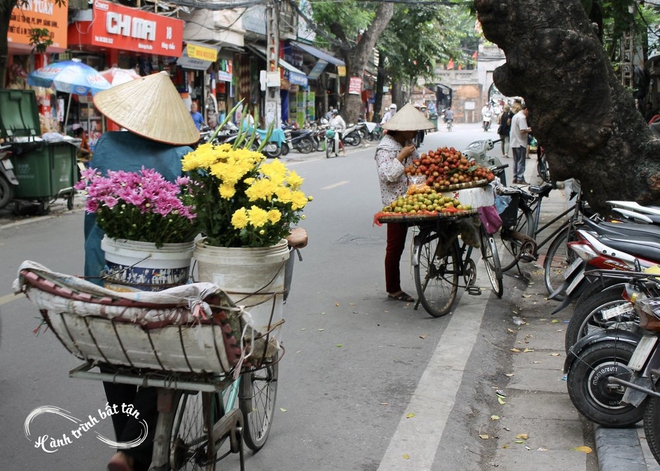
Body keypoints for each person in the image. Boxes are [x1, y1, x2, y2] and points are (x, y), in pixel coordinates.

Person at [85, 72, 200, 471]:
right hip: (161, 281)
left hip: (102, 274)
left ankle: (126, 446)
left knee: (112, 355)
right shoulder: (182, 156)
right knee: (163, 359)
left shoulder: (104, 146)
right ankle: (143, 451)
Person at [375, 103, 434, 302]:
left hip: (415, 199)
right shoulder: (385, 149)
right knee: (394, 247)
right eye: (414, 128)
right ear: (403, 129)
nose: (416, 132)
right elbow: (387, 176)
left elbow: (418, 169)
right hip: (395, 204)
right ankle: (393, 288)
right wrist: (401, 157)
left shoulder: (408, 146)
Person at [510, 103, 532, 185]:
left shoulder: (515, 116)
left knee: (515, 161)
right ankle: (520, 178)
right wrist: (530, 130)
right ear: (526, 109)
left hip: (514, 142)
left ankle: (515, 177)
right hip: (520, 142)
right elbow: (522, 131)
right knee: (521, 161)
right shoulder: (522, 118)